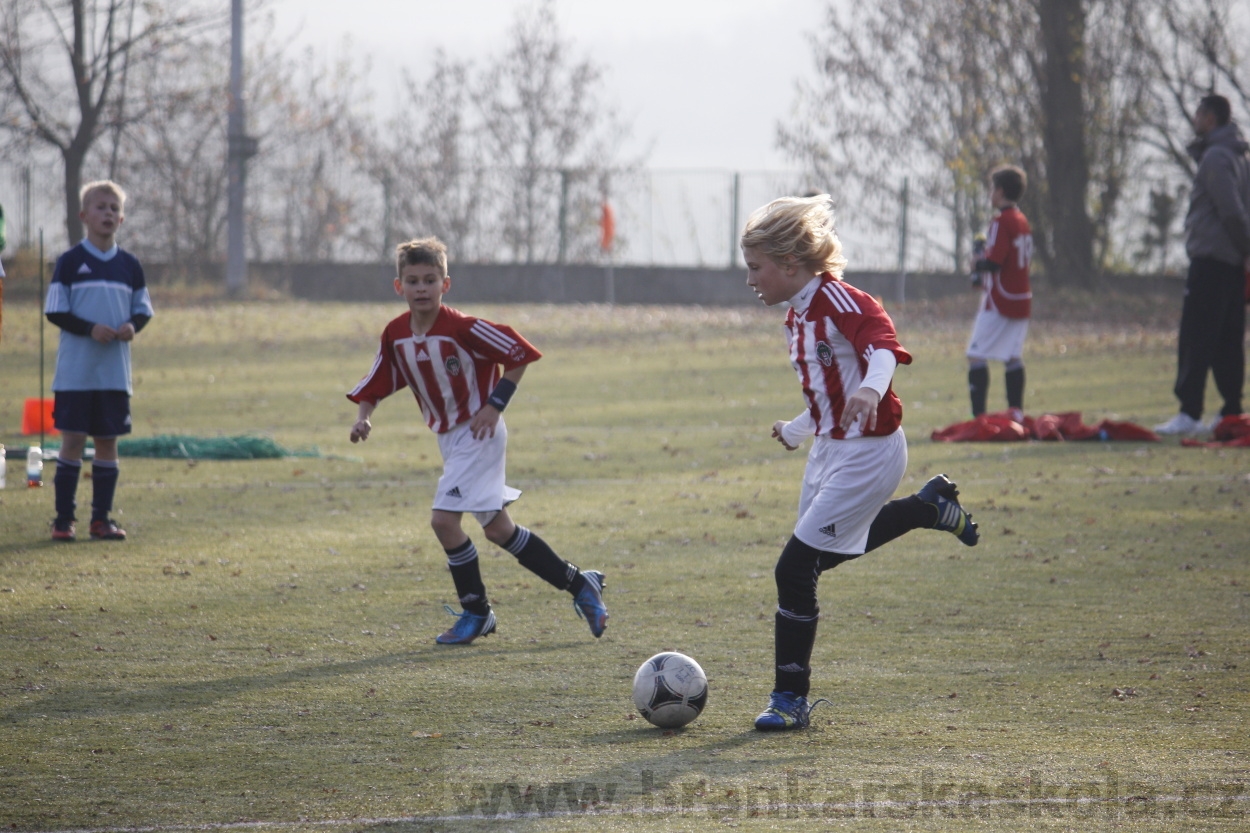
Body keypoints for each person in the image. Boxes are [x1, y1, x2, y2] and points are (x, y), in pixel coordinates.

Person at [741, 195, 980, 731]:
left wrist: (874, 392)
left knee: (794, 569)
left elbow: (883, 350)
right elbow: (829, 390)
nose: (751, 279)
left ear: (789, 264)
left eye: (756, 268)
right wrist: (798, 428)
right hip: (831, 449)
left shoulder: (841, 302)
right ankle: (927, 507)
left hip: (870, 451)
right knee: (815, 562)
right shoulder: (797, 317)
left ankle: (789, 698)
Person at [346, 236, 608, 645]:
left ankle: (477, 611)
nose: (421, 288)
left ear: (445, 284)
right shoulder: (395, 335)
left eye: (429, 280)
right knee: (499, 529)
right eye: (412, 281)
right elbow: (375, 382)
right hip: (449, 439)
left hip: (480, 433)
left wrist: (494, 405)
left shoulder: (463, 328)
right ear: (399, 287)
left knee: (443, 521)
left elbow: (520, 354)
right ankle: (579, 584)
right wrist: (363, 419)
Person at [45, 180, 153, 541]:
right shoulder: (70, 262)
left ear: (121, 219)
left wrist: (131, 327)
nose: (107, 213)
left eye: (113, 208)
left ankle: (101, 520)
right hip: (76, 374)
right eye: (100, 207)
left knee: (107, 442)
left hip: (113, 375)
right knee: (73, 441)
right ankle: (63, 521)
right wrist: (90, 328)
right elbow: (55, 311)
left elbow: (143, 311)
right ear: (84, 216)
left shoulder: (129, 266)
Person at [1155, 94, 1250, 435]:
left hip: (1212, 260)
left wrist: (1245, 247)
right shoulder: (1240, 157)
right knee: (1228, 340)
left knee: (1197, 337)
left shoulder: (1216, 158)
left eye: (1198, 113)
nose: (1194, 119)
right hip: (1232, 263)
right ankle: (1231, 410)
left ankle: (1190, 412)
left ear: (1210, 118)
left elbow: (1231, 211)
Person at [966, 165, 1033, 421]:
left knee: (975, 355)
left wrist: (977, 262)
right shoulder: (1022, 220)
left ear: (1001, 191)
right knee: (1013, 357)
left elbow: (995, 262)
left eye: (992, 188)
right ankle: (1016, 413)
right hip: (1022, 298)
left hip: (1000, 301)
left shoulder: (1001, 221)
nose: (990, 194)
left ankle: (979, 418)